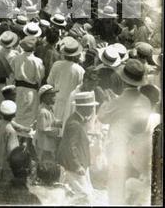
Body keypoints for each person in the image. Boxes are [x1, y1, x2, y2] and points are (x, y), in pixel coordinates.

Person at [98, 59, 152, 205]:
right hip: (138, 156)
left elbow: (102, 117)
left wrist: (106, 101)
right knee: (132, 196)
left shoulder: (117, 102)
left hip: (118, 155)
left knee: (116, 195)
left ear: (123, 81)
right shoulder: (146, 101)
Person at [57, 91, 98, 204]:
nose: (92, 109)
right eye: (90, 107)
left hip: (79, 161)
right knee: (85, 195)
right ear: (82, 108)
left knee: (68, 192)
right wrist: (77, 166)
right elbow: (70, 147)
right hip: (74, 164)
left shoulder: (78, 120)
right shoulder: (74, 124)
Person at [47, 37, 85, 127]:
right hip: (70, 104)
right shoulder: (80, 70)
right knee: (65, 127)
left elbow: (49, 82)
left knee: (53, 126)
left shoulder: (57, 65)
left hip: (55, 100)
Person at [0, 100, 20, 202]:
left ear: (1, 113)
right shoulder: (11, 131)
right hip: (4, 166)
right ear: (14, 114)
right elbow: (12, 151)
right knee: (4, 192)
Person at [12, 36, 45, 132]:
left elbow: (12, 74)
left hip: (18, 89)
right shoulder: (37, 61)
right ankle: (26, 139)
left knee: (18, 113)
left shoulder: (16, 58)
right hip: (31, 90)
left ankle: (18, 136)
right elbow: (40, 77)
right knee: (30, 115)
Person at [33, 84, 61, 163]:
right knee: (46, 162)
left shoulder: (49, 109)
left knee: (50, 160)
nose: (55, 97)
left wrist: (61, 123)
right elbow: (45, 129)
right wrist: (58, 132)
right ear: (44, 97)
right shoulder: (43, 112)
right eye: (52, 95)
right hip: (44, 145)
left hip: (49, 143)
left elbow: (53, 121)